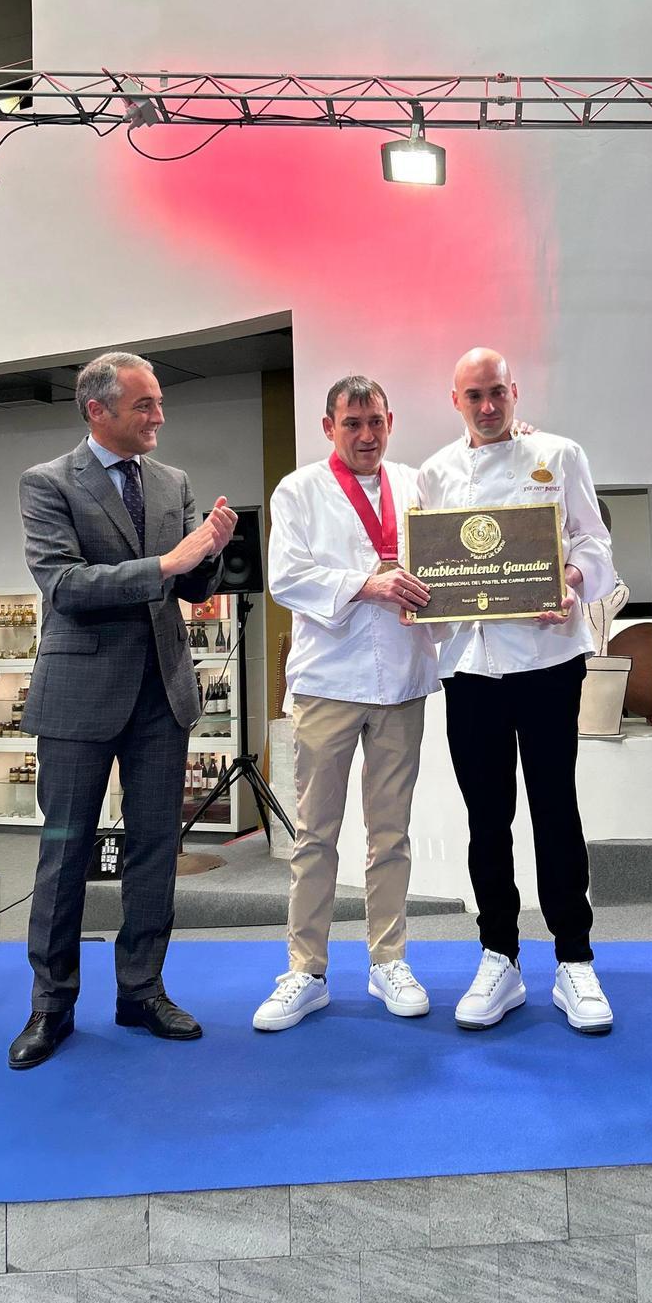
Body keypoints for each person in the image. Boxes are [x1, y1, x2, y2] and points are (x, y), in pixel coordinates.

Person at [8, 351, 236, 1069]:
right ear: (96, 411)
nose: (160, 417)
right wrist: (170, 564)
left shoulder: (174, 483)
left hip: (161, 694)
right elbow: (66, 586)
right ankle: (51, 1007)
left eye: (160, 402)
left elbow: (194, 585)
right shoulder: (46, 484)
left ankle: (141, 991)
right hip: (79, 696)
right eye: (145, 405)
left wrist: (210, 555)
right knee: (65, 853)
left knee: (154, 851)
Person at [417, 348, 620, 1034]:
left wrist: (569, 581)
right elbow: (431, 559)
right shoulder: (436, 473)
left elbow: (594, 544)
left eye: (497, 392)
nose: (486, 406)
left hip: (547, 659)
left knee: (555, 808)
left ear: (515, 390)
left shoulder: (560, 456)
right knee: (486, 817)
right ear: (456, 400)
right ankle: (498, 955)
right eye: (473, 395)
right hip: (469, 665)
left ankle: (574, 959)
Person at [255, 375, 439, 1031]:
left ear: (391, 421)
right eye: (351, 424)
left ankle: (388, 958)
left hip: (402, 682)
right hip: (327, 682)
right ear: (328, 427)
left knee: (390, 833)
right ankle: (306, 969)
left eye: (375, 423)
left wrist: (513, 453)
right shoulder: (299, 490)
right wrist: (368, 582)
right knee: (315, 835)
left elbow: (454, 545)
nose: (365, 436)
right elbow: (287, 577)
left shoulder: (419, 482)